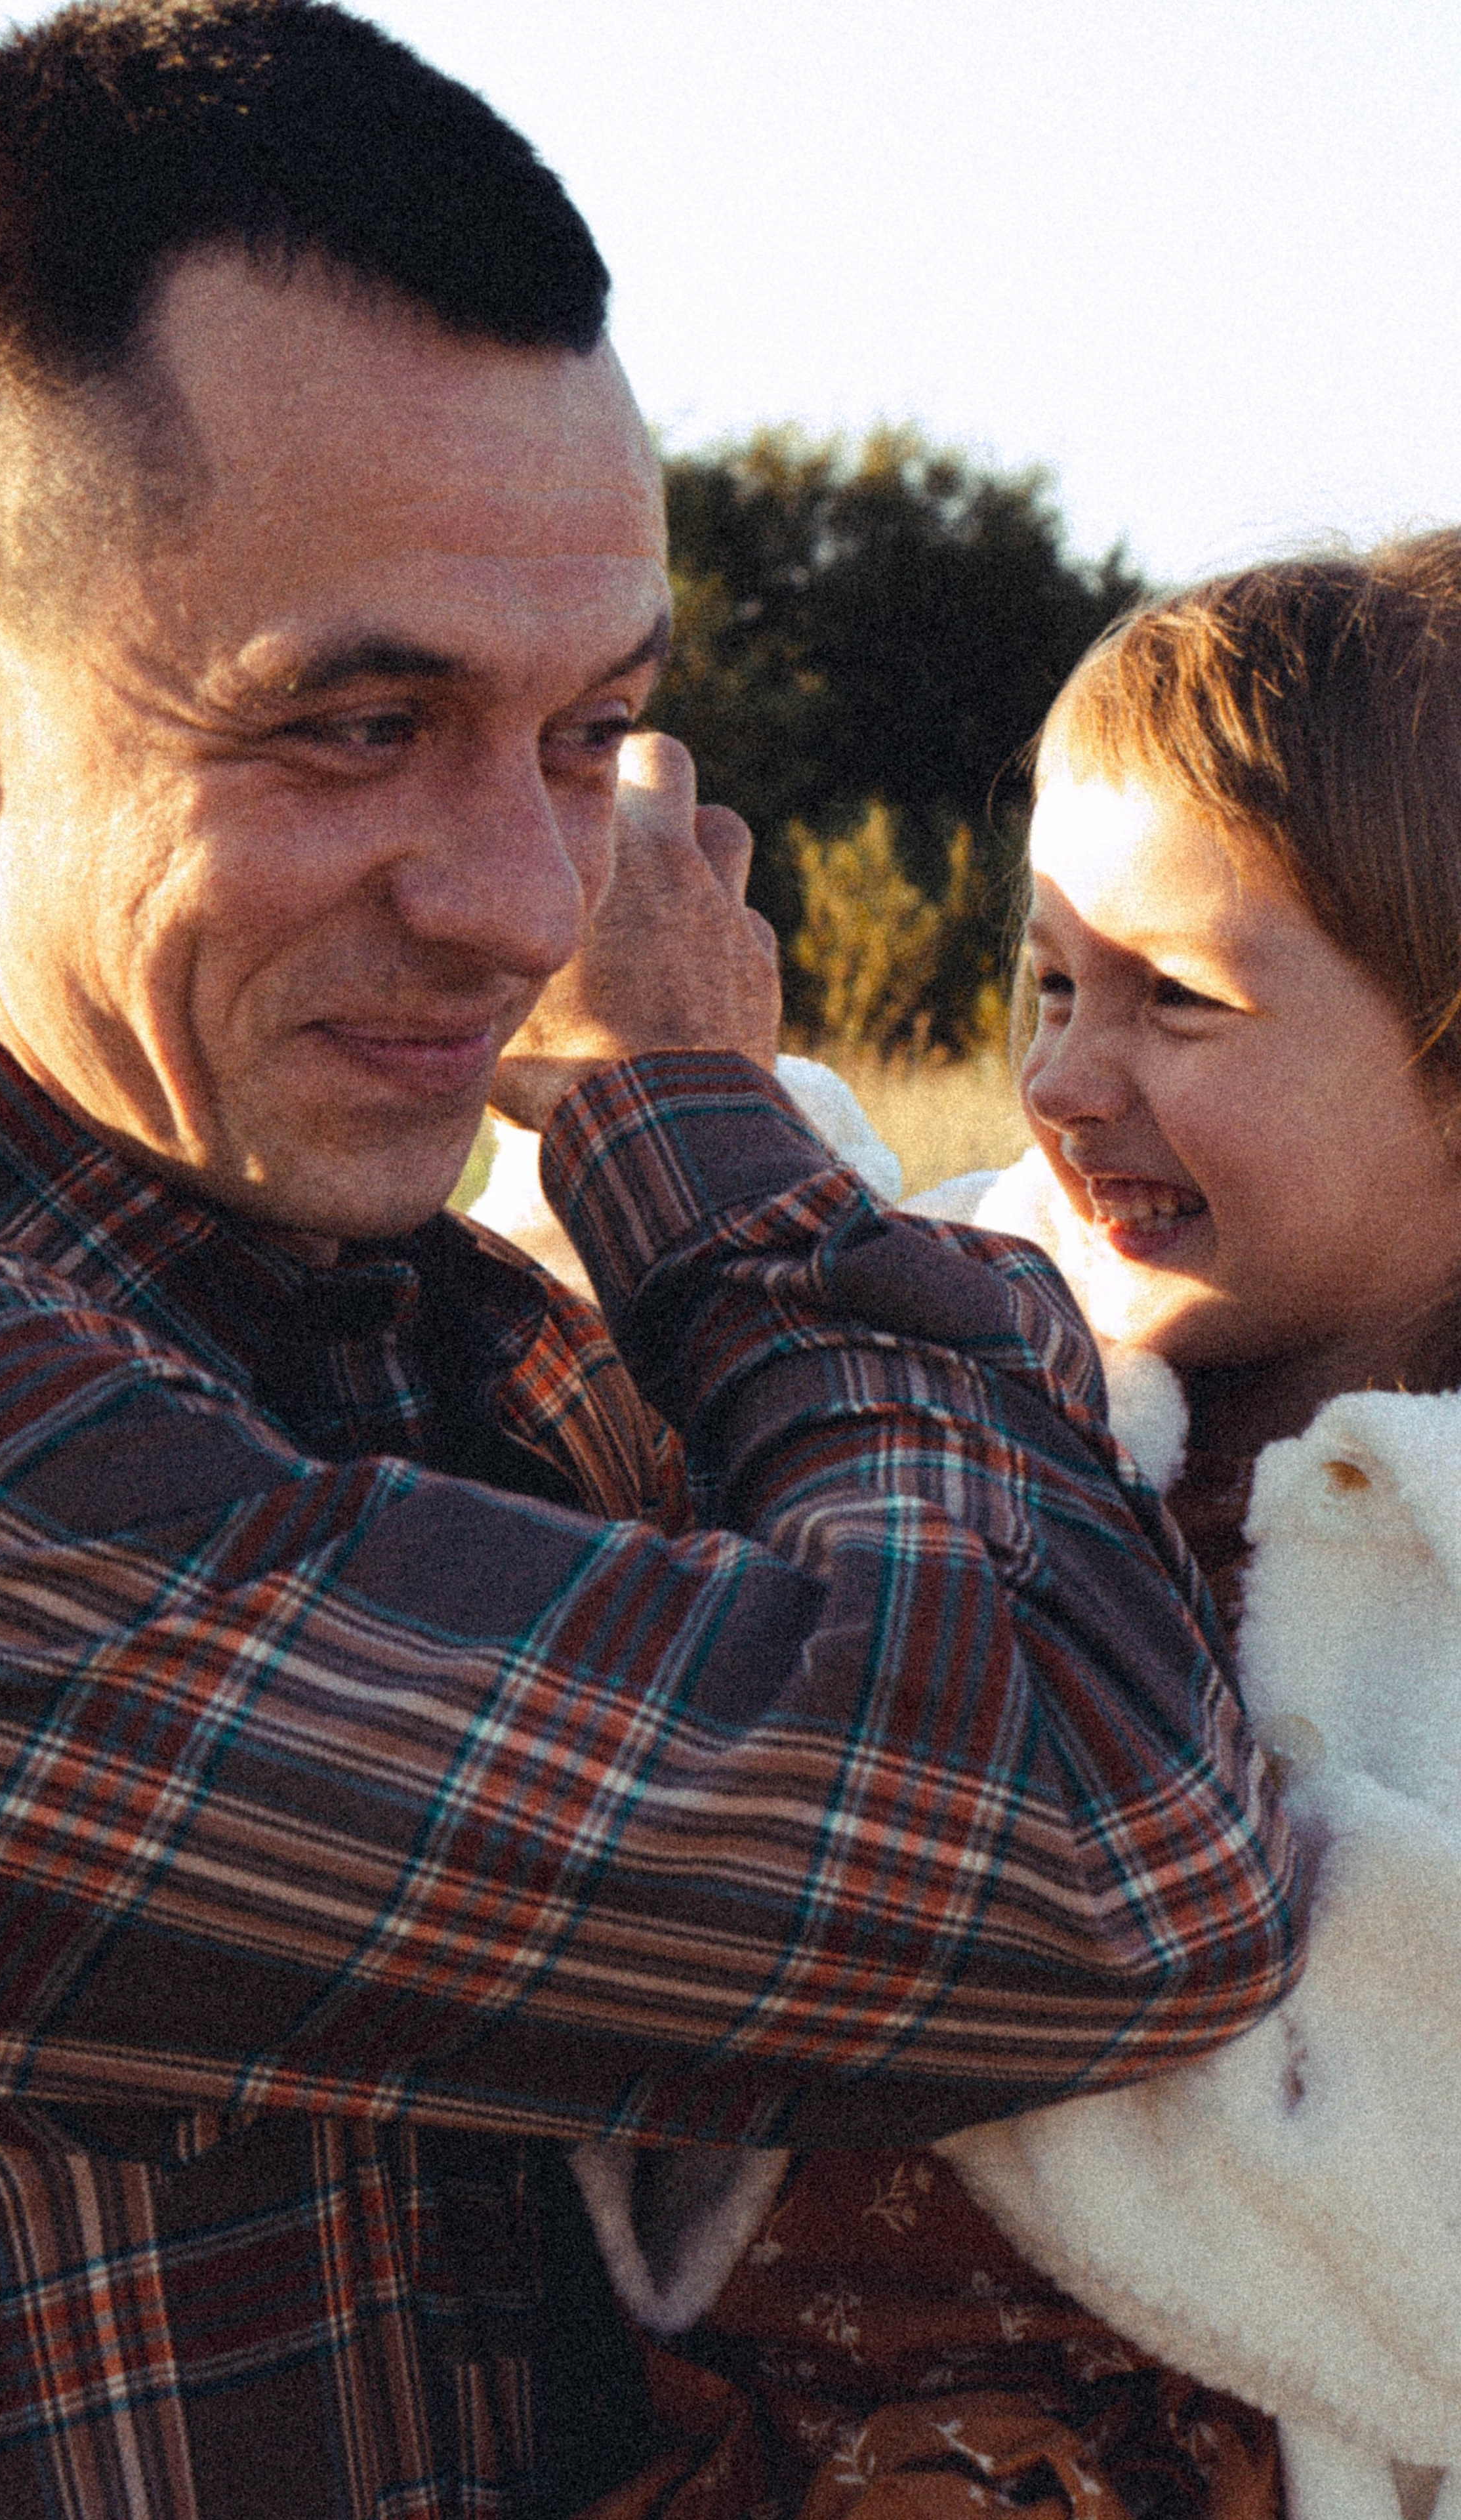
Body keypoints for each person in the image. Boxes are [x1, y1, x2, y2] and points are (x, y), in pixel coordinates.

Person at [0, 5, 1298, 2515]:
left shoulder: (491, 1347)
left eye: (593, 734)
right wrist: (704, 1128)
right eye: (355, 726)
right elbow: (1100, 1848)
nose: (523, 908)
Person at [579, 537, 1461, 2520]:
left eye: (1178, 997)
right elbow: (801, 1243)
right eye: (1051, 980)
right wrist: (652, 1095)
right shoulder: (998, 1325)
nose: (1064, 1077)